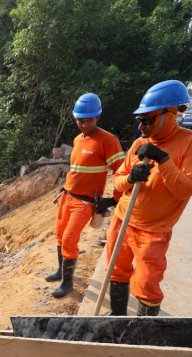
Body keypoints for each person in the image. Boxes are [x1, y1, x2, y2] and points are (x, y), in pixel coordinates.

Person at [105, 80, 192, 316]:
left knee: (146, 283)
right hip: (123, 219)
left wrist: (163, 160)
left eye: (147, 119)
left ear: (171, 114)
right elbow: (118, 181)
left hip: (153, 230)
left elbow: (186, 189)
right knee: (116, 269)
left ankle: (143, 329)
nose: (141, 125)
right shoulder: (139, 143)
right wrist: (131, 178)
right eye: (139, 120)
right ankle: (117, 316)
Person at [46, 93, 125, 298]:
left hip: (85, 201)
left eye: (87, 119)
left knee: (70, 239)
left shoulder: (108, 140)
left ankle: (67, 283)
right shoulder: (78, 140)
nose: (83, 123)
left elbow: (121, 171)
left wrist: (114, 198)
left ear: (97, 117)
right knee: (60, 235)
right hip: (68, 196)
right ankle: (59, 271)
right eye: (80, 119)